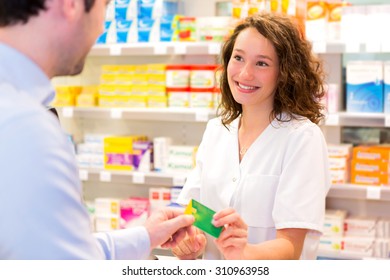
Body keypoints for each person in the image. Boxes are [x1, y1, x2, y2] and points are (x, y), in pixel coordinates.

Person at [0, 0, 194, 259]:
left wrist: (145, 236)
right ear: (71, 5)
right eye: (106, 5)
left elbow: (51, 251)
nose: (103, 26)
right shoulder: (25, 130)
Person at [172, 12, 331, 260]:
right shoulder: (217, 131)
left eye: (262, 63)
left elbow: (291, 246)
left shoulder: (302, 138)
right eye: (238, 58)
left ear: (285, 73)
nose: (245, 74)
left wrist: (245, 252)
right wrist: (190, 240)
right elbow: (195, 214)